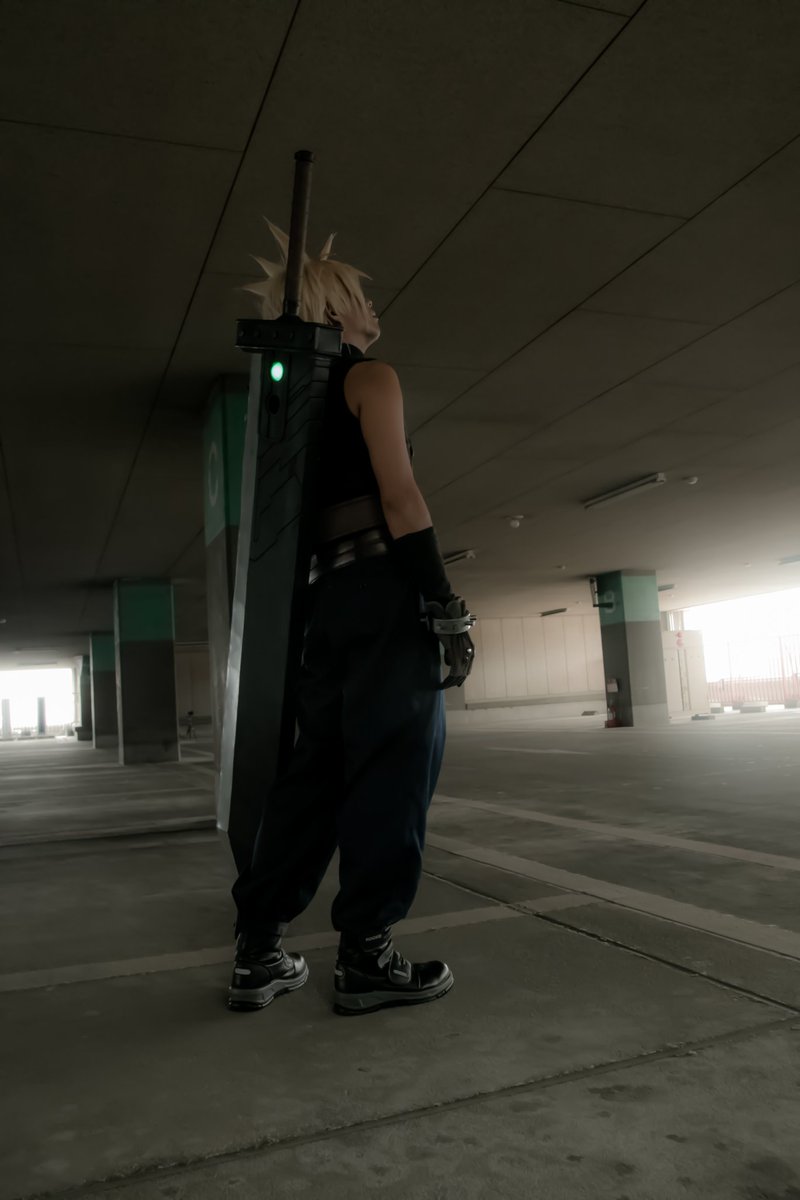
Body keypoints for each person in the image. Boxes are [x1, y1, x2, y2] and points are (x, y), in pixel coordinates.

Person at [227, 222, 475, 1016]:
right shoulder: (371, 379)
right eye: (360, 298)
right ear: (337, 314)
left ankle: (258, 950)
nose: (372, 308)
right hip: (382, 595)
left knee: (313, 779)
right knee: (394, 767)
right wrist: (443, 602)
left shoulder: (286, 411)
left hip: (322, 607)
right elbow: (400, 497)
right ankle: (367, 954)